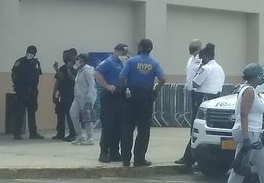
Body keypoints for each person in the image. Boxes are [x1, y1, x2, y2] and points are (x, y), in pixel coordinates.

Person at [176, 42, 225, 165]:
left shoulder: (205, 68)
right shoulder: (219, 68)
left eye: (202, 58)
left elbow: (195, 83)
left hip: (201, 100)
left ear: (206, 57)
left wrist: (198, 70)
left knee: (195, 128)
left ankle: (189, 157)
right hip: (215, 100)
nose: (201, 60)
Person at [119, 38, 166, 167]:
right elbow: (162, 78)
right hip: (146, 98)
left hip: (131, 96)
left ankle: (125, 159)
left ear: (140, 48)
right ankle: (139, 159)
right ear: (151, 49)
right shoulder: (154, 63)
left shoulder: (131, 61)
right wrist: (155, 92)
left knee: (127, 127)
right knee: (143, 130)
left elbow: (122, 77)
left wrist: (124, 90)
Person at [228, 63, 264, 183]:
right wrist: (246, 138)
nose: (263, 77)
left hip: (254, 134)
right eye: (261, 74)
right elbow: (244, 114)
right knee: (240, 169)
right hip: (249, 133)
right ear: (255, 76)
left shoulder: (249, 89)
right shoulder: (249, 91)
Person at [94, 43, 129, 162]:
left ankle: (114, 151)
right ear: (117, 51)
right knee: (108, 125)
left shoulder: (122, 63)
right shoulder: (108, 62)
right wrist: (107, 86)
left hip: (121, 95)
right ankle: (104, 152)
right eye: (123, 53)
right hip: (110, 96)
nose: (125, 55)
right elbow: (97, 73)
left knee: (118, 125)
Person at [11, 45, 44, 140]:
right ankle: (17, 133)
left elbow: (38, 74)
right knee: (20, 112)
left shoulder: (36, 62)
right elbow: (13, 73)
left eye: (33, 52)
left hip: (32, 90)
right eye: (29, 51)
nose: (31, 54)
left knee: (32, 112)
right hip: (21, 90)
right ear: (26, 51)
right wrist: (16, 85)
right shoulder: (20, 62)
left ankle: (33, 133)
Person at [70, 53, 97, 145]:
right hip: (77, 97)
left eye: (78, 59)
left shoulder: (87, 70)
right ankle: (79, 135)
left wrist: (89, 98)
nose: (76, 61)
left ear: (83, 60)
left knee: (87, 118)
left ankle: (90, 138)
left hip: (86, 98)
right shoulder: (79, 70)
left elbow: (91, 84)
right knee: (73, 114)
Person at [52, 48, 77, 141]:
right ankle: (60, 133)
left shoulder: (75, 67)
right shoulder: (63, 67)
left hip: (71, 94)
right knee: (60, 113)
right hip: (62, 94)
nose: (64, 58)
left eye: (66, 56)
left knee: (70, 114)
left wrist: (68, 68)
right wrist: (54, 94)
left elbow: (72, 78)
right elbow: (59, 79)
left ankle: (72, 134)